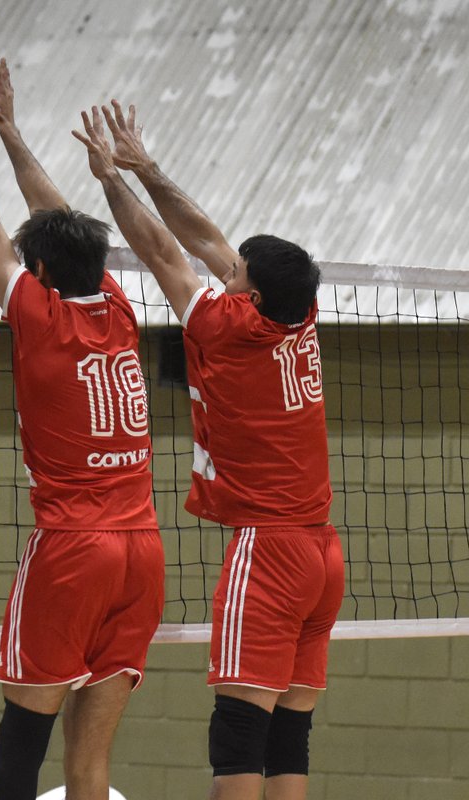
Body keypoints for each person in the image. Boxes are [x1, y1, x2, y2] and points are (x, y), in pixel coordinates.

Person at [0, 59, 164, 800]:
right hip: (143, 549)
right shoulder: (116, 306)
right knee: (89, 765)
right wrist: (9, 130)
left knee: (20, 747)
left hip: (74, 550)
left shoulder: (39, 316)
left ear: (38, 269)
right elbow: (65, 227)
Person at [75, 102, 343, 800]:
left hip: (273, 551)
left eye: (235, 278)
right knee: (288, 735)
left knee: (237, 735)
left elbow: (166, 252)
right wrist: (150, 168)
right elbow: (210, 240)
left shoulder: (231, 329)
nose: (225, 277)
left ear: (249, 296)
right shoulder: (296, 311)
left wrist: (111, 181)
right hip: (322, 552)